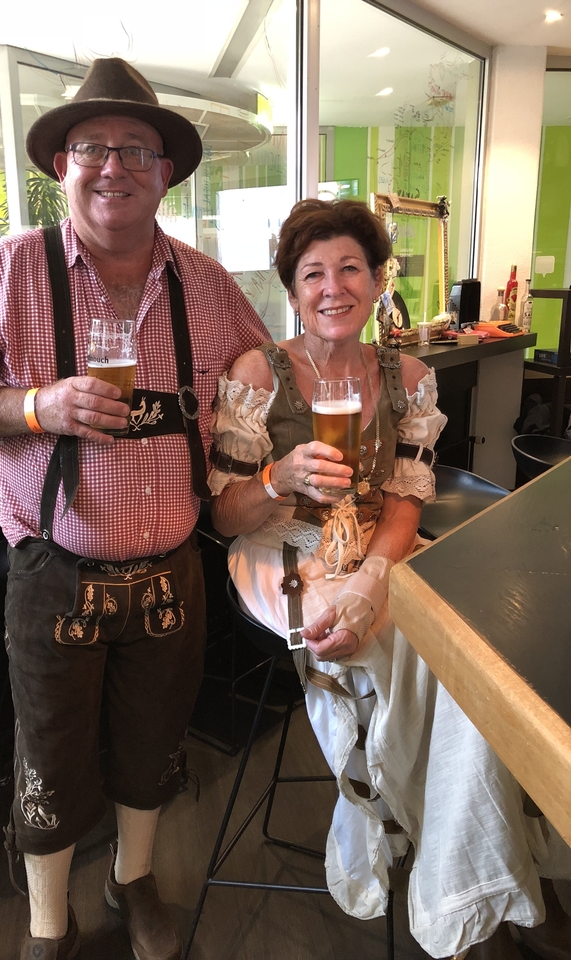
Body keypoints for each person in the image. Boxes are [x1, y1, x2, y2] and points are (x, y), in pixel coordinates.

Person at [0, 57, 269, 960]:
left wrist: (263, 403)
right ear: (62, 165)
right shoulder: (7, 270)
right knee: (52, 754)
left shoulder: (208, 285)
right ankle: (46, 924)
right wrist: (35, 407)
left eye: (136, 151)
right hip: (52, 570)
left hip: (171, 570)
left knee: (153, 744)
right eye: (93, 148)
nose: (114, 166)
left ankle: (134, 881)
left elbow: (260, 374)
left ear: (166, 172)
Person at [207, 198, 571, 959]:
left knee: (466, 644)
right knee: (428, 660)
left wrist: (378, 572)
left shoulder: (406, 375)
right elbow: (227, 518)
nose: (333, 286)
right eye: (313, 273)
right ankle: (466, 872)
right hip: (280, 543)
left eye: (350, 269)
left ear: (377, 282)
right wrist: (276, 478)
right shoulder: (257, 375)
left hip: (376, 544)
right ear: (292, 289)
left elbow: (405, 498)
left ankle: (460, 868)